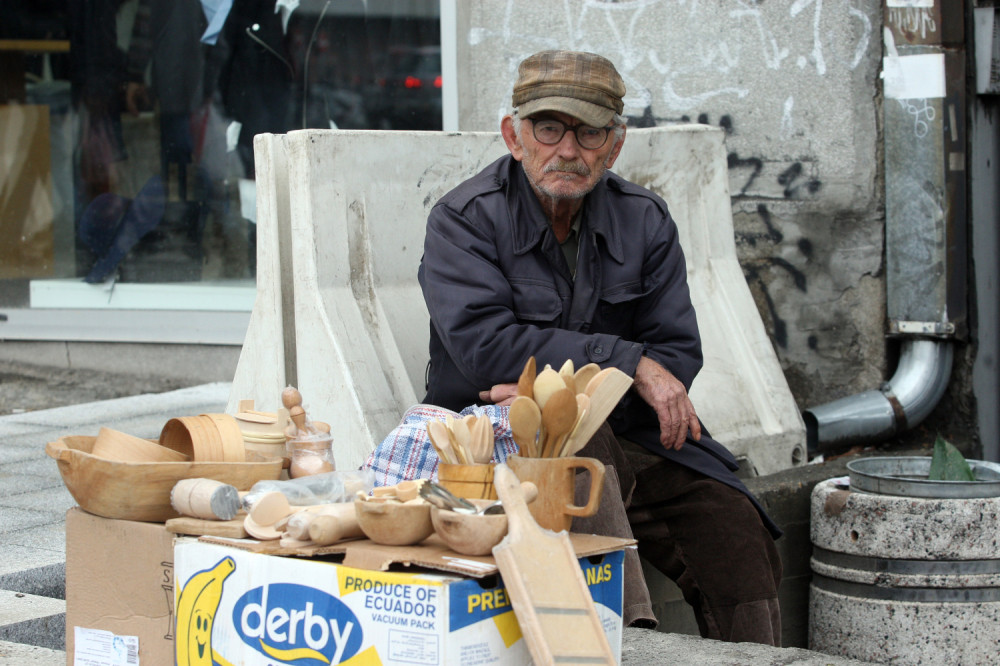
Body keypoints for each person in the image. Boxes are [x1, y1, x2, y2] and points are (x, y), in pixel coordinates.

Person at [418, 50, 783, 644]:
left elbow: (674, 354)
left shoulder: (645, 219)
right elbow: (486, 349)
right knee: (579, 460)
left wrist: (580, 385)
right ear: (514, 136)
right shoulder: (464, 220)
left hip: (629, 431)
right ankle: (623, 643)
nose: (568, 150)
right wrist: (627, 364)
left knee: (732, 524)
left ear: (613, 146)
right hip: (499, 448)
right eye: (548, 128)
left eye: (589, 133)